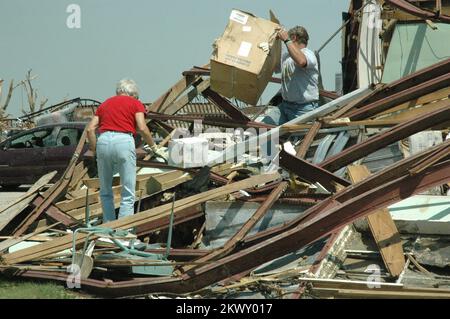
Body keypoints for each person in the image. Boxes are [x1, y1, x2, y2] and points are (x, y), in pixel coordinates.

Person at [86, 78, 161, 223]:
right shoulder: (135, 103)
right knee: (128, 191)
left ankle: (109, 226)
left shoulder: (105, 104)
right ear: (133, 94)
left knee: (105, 191)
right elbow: (142, 127)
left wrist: (94, 150)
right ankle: (123, 229)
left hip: (103, 140)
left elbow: (90, 129)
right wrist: (153, 146)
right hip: (123, 141)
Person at [263, 25, 319, 126]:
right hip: (285, 106)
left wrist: (286, 39)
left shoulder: (308, 54)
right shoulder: (286, 56)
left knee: (301, 140)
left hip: (303, 108)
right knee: (263, 128)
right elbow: (272, 67)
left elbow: (301, 61)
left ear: (293, 38)